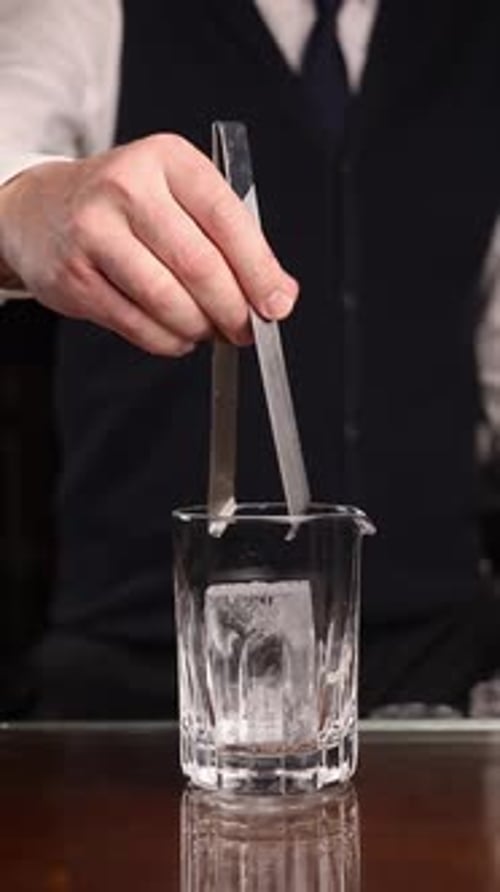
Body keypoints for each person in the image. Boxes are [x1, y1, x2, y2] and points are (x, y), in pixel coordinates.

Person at [0, 0, 499, 718]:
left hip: (436, 672)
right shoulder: (84, 11)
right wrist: (26, 203)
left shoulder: (478, 33)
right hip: (141, 677)